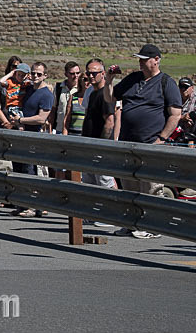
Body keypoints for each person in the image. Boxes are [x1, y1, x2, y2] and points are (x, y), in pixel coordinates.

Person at [104, 44, 182, 238]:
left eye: (144, 59)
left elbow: (175, 114)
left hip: (150, 143)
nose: (140, 63)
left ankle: (153, 226)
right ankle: (132, 223)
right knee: (129, 185)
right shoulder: (133, 79)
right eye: (139, 59)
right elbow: (110, 98)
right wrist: (109, 80)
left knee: (150, 187)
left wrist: (161, 139)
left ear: (156, 60)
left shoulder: (166, 82)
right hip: (128, 143)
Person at [8, 62, 54, 218]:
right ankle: (22, 203)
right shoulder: (28, 89)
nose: (35, 76)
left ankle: (34, 206)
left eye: (39, 74)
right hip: (21, 135)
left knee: (30, 170)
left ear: (45, 76)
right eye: (33, 73)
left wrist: (21, 120)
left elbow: (41, 118)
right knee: (19, 169)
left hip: (34, 137)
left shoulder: (46, 94)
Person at [80, 58, 118, 202]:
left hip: (100, 148)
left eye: (94, 73)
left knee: (104, 181)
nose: (91, 76)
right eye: (88, 73)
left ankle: (111, 210)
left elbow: (109, 122)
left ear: (103, 73)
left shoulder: (105, 94)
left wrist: (101, 145)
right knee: (90, 182)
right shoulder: (92, 93)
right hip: (89, 146)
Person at [49, 61, 81, 134]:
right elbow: (53, 110)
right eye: (72, 73)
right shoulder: (58, 88)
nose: (76, 76)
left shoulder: (82, 89)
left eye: (77, 73)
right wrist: (50, 129)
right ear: (66, 74)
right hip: (59, 130)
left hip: (75, 131)